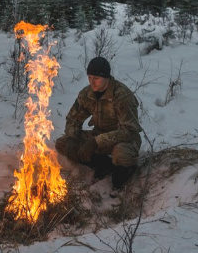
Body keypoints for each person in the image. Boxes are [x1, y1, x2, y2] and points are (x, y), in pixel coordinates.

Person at [55, 56, 142, 190]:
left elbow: (129, 131)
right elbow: (73, 119)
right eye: (89, 77)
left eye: (96, 78)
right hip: (99, 135)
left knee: (121, 155)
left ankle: (121, 182)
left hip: (123, 140)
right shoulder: (87, 94)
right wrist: (72, 137)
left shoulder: (122, 96)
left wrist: (96, 142)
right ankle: (104, 166)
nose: (92, 82)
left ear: (106, 77)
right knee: (63, 143)